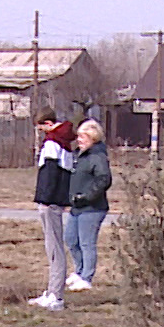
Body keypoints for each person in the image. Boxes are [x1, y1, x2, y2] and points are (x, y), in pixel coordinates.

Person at [28, 108, 75, 311]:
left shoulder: (52, 143)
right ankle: (52, 291)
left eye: (41, 128)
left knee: (54, 249)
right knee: (54, 248)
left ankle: (56, 295)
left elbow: (49, 174)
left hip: (51, 202)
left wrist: (44, 199)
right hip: (57, 200)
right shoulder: (65, 142)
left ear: (48, 123)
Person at [65, 119, 112, 291]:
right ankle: (78, 271)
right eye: (78, 137)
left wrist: (86, 196)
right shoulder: (79, 155)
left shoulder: (97, 156)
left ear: (93, 137)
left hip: (93, 208)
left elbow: (103, 179)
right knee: (70, 238)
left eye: (83, 137)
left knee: (87, 243)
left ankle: (87, 277)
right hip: (76, 206)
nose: (79, 140)